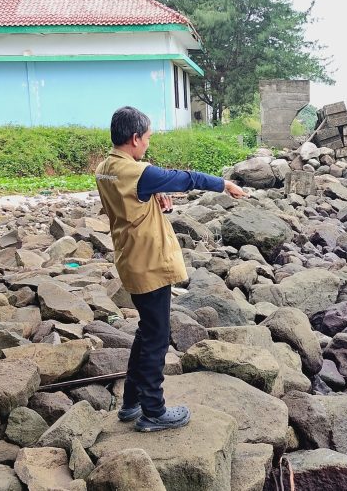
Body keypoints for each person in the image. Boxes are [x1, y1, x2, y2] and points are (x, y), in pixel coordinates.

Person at [94, 106, 247, 432]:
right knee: (157, 338)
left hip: (130, 258)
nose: (148, 144)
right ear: (135, 138)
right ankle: (154, 411)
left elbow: (131, 200)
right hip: (149, 263)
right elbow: (187, 178)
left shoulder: (105, 168)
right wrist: (224, 184)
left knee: (146, 332)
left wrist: (154, 196)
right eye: (148, 138)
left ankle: (131, 402)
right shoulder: (138, 172)